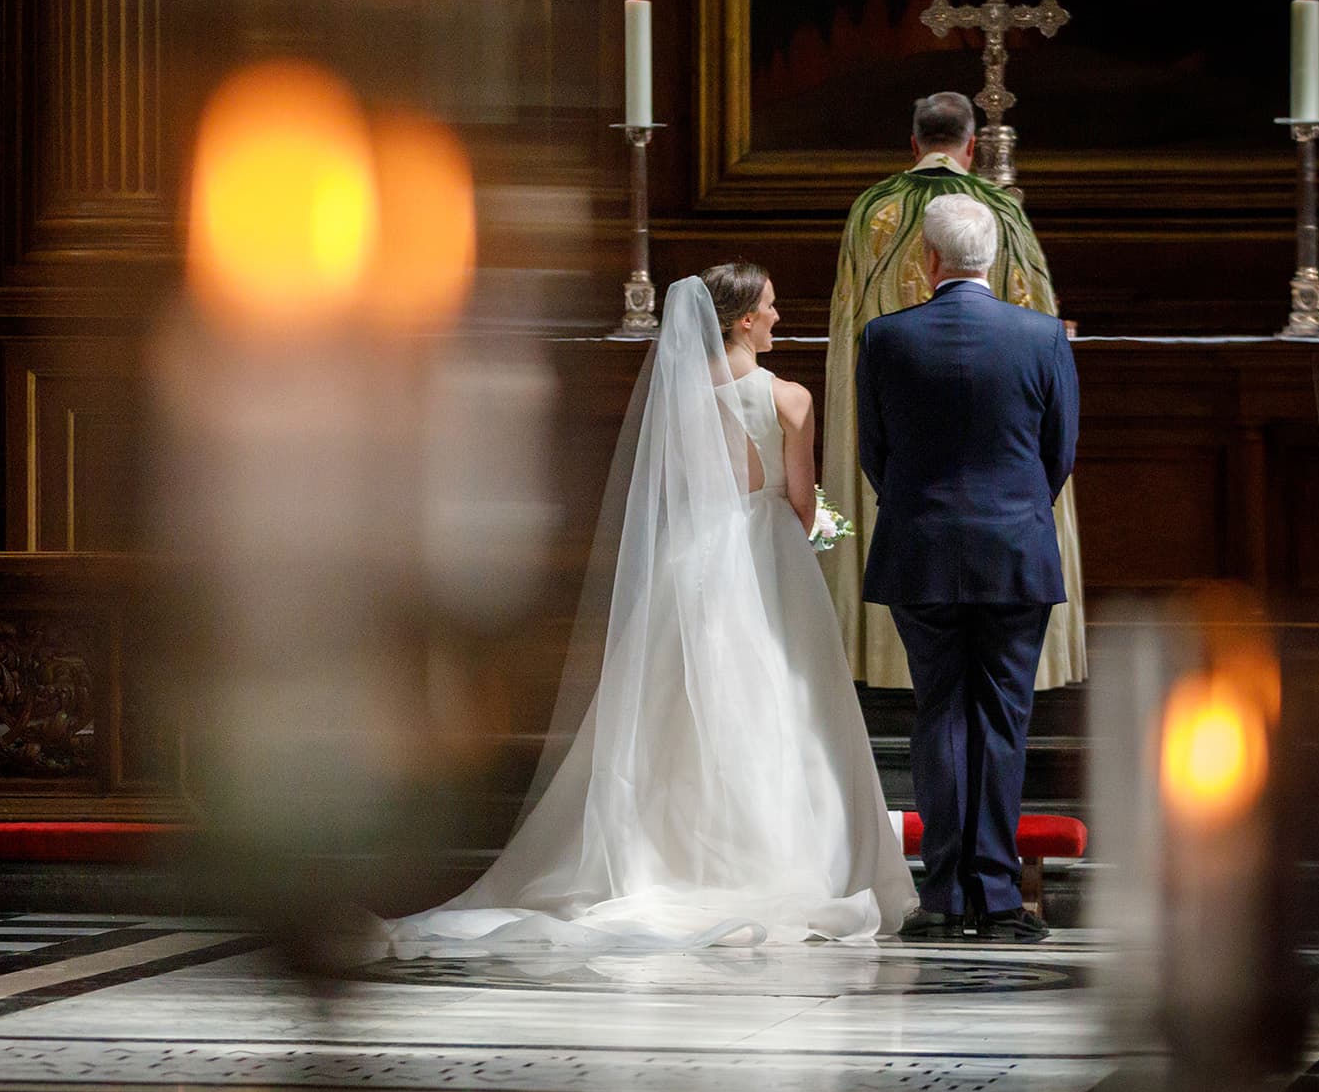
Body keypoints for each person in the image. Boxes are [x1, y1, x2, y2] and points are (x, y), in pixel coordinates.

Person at [385, 265, 916, 951]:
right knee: (785, 704)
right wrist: (838, 529)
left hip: (695, 562)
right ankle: (784, 858)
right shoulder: (789, 398)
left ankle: (673, 854)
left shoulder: (683, 397)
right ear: (744, 320)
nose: (779, 317)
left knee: (683, 708)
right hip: (770, 562)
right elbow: (802, 504)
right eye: (772, 307)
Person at [859, 195, 1079, 942]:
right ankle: (996, 896)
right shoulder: (1043, 336)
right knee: (1002, 720)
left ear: (928, 259)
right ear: (998, 262)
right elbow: (1059, 453)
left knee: (940, 713)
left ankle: (947, 896)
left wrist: (925, 510)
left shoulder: (886, 337)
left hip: (921, 546)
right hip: (1015, 549)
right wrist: (1014, 512)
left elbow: (874, 453)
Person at [823, 91, 1084, 692]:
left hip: (912, 483)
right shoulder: (1000, 210)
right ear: (973, 146)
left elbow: (850, 336)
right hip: (1004, 483)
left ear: (913, 144)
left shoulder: (871, 211)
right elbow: (1037, 324)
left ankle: (879, 659)